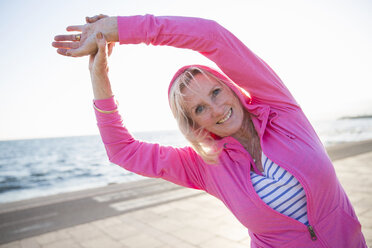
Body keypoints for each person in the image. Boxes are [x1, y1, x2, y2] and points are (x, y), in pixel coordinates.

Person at [52, 14, 367, 247]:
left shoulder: (282, 111)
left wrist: (119, 29)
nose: (215, 109)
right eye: (200, 108)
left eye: (215, 92)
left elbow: (212, 36)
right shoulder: (204, 165)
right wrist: (99, 74)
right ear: (194, 122)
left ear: (229, 86)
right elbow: (122, 151)